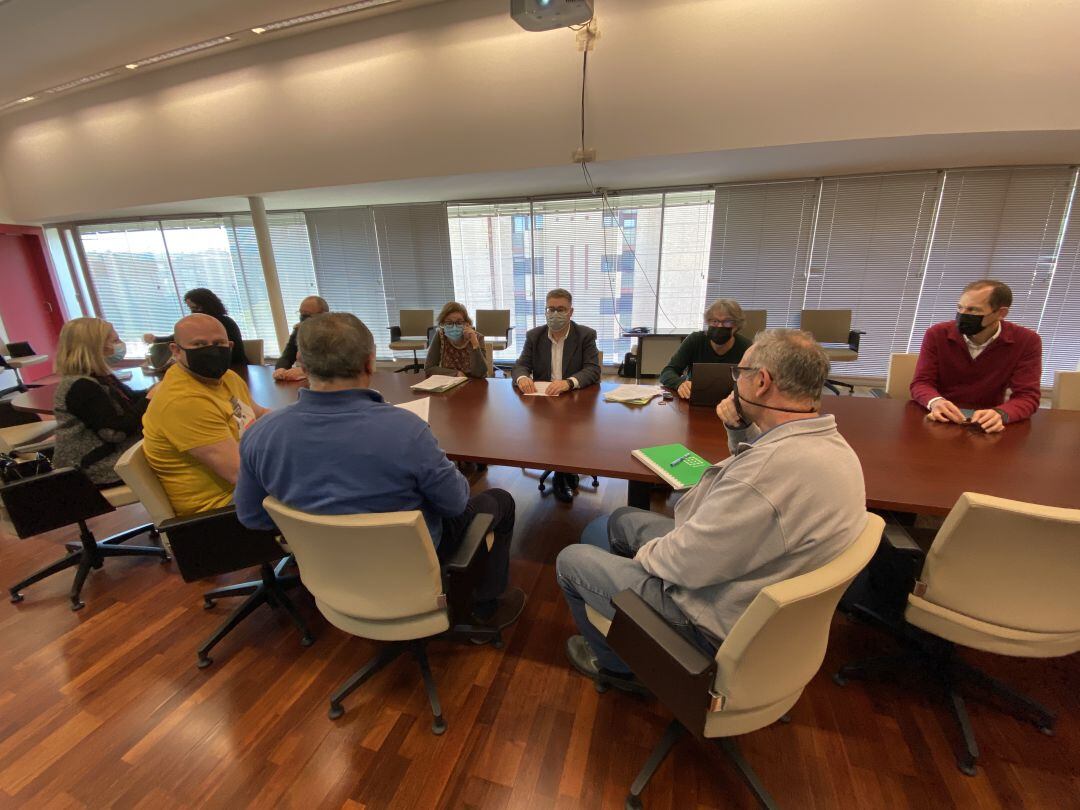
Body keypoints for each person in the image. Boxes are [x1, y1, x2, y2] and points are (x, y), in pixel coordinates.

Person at [556, 329, 866, 693]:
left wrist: (642, 561)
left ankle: (618, 668)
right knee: (617, 522)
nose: (736, 381)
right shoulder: (830, 445)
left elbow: (686, 562)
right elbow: (751, 480)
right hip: (746, 582)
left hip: (708, 618)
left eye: (741, 373)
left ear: (762, 382)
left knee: (572, 559)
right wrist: (739, 430)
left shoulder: (765, 479)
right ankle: (626, 622)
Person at [235, 312, 525, 629]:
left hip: (329, 574)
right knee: (499, 501)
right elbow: (455, 503)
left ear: (301, 364)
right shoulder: (407, 431)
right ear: (371, 362)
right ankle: (485, 607)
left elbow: (252, 516)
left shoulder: (259, 434)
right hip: (411, 566)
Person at [142, 314, 269, 516]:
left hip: (242, 486)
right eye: (199, 345)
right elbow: (242, 474)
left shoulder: (227, 377)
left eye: (219, 343)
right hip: (218, 511)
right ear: (176, 350)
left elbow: (260, 415)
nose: (212, 351)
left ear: (230, 345)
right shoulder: (183, 401)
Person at [910, 279, 1042, 433]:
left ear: (1001, 313)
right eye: (960, 308)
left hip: (984, 425)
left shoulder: (1026, 341)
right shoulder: (937, 333)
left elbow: (1027, 396)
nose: (963, 315)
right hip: (938, 419)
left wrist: (1002, 414)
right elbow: (921, 382)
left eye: (973, 310)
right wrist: (935, 401)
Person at [512, 288, 601, 503]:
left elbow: (593, 369)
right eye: (551, 309)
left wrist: (569, 382)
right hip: (544, 402)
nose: (555, 314)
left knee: (569, 436)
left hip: (575, 401)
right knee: (546, 435)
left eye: (561, 309)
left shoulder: (585, 335)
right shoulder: (535, 335)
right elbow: (520, 365)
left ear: (571, 312)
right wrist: (522, 378)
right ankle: (560, 469)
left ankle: (564, 473)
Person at [52, 318, 151, 487]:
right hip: (95, 466)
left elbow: (130, 400)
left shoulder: (100, 377)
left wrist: (153, 391)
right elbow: (114, 432)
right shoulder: (81, 386)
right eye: (114, 341)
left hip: (110, 454)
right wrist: (149, 399)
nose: (120, 345)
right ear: (95, 347)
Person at [659, 298, 753, 398]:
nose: (720, 326)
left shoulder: (746, 347)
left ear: (736, 325)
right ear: (708, 322)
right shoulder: (695, 340)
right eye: (715, 321)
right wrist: (679, 384)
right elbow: (667, 372)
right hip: (694, 398)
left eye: (727, 321)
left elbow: (755, 381)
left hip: (731, 401)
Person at [144, 287, 247, 368]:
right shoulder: (203, 323)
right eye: (191, 309)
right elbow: (179, 337)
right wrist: (156, 339)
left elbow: (232, 355)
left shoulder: (223, 323)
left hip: (233, 367)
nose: (193, 312)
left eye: (195, 308)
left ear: (207, 305)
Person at [425, 302, 488, 379]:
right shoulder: (440, 335)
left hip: (473, 383)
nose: (454, 327)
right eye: (449, 323)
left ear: (467, 323)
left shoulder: (477, 337)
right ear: (443, 324)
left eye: (459, 322)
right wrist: (456, 373)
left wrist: (474, 344)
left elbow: (480, 373)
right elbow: (429, 368)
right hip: (449, 383)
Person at [274, 295, 330, 381]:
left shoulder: (335, 332)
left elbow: (336, 364)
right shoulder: (299, 330)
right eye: (301, 314)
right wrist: (280, 369)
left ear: (324, 315)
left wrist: (305, 371)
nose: (302, 318)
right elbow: (287, 355)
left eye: (307, 315)